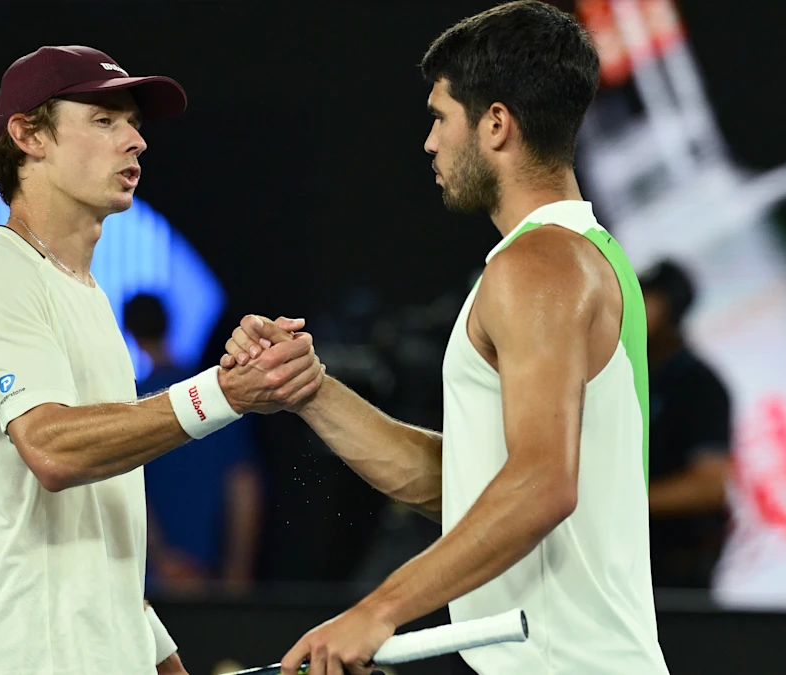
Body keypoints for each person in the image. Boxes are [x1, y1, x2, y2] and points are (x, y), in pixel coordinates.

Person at [221, 3, 669, 673]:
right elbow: (464, 487)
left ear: (495, 124)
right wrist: (309, 389)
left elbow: (542, 483)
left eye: (439, 117)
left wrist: (377, 609)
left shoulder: (537, 267)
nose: (429, 142)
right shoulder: (575, 257)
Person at [0, 45, 324, 675]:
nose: (135, 141)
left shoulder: (88, 300)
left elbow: (101, 538)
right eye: (105, 120)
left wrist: (164, 662)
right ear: (29, 135)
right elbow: (54, 451)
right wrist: (224, 394)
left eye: (134, 123)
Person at [123, 293, 264, 593]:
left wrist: (162, 559)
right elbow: (244, 486)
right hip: (211, 578)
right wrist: (238, 572)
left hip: (150, 583)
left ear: (129, 330)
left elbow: (125, 486)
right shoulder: (217, 393)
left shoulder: (128, 405)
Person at [640, 260, 732, 589]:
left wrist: (628, 501)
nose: (632, 307)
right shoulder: (612, 368)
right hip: (613, 559)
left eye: (647, 300)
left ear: (672, 315)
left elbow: (709, 487)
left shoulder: (700, 385)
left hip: (671, 570)